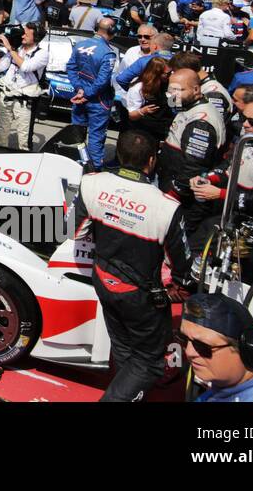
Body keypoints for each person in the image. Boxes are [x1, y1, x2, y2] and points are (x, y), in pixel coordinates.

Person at [74, 129, 195, 401]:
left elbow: (75, 232)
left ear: (118, 155)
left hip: (103, 280)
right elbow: (182, 268)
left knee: (123, 346)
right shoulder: (167, 207)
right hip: (141, 294)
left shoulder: (91, 183)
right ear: (152, 161)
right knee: (150, 362)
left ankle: (129, 392)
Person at [180, 292, 253, 402]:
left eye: (202, 346)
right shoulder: (226, 386)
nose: (189, 352)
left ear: (245, 348)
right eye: (183, 339)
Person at [158, 67, 228, 248]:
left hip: (185, 198)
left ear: (196, 90)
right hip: (172, 184)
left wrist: (174, 193)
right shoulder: (187, 105)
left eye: (178, 90)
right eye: (170, 89)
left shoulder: (201, 122)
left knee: (177, 243)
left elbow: (194, 167)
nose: (173, 95)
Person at [66, 17, 117, 171]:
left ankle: (74, 165)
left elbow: (70, 68)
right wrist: (86, 94)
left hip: (79, 97)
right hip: (98, 101)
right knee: (96, 137)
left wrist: (79, 90)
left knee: (77, 133)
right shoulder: (108, 53)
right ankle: (94, 169)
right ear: (112, 30)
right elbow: (102, 81)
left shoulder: (80, 45)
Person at [0, 23, 48, 150]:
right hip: (6, 96)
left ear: (36, 37)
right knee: (0, 135)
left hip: (24, 101)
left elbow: (26, 67)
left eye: (26, 34)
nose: (22, 36)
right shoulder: (17, 49)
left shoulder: (42, 54)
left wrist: (10, 49)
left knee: (24, 139)